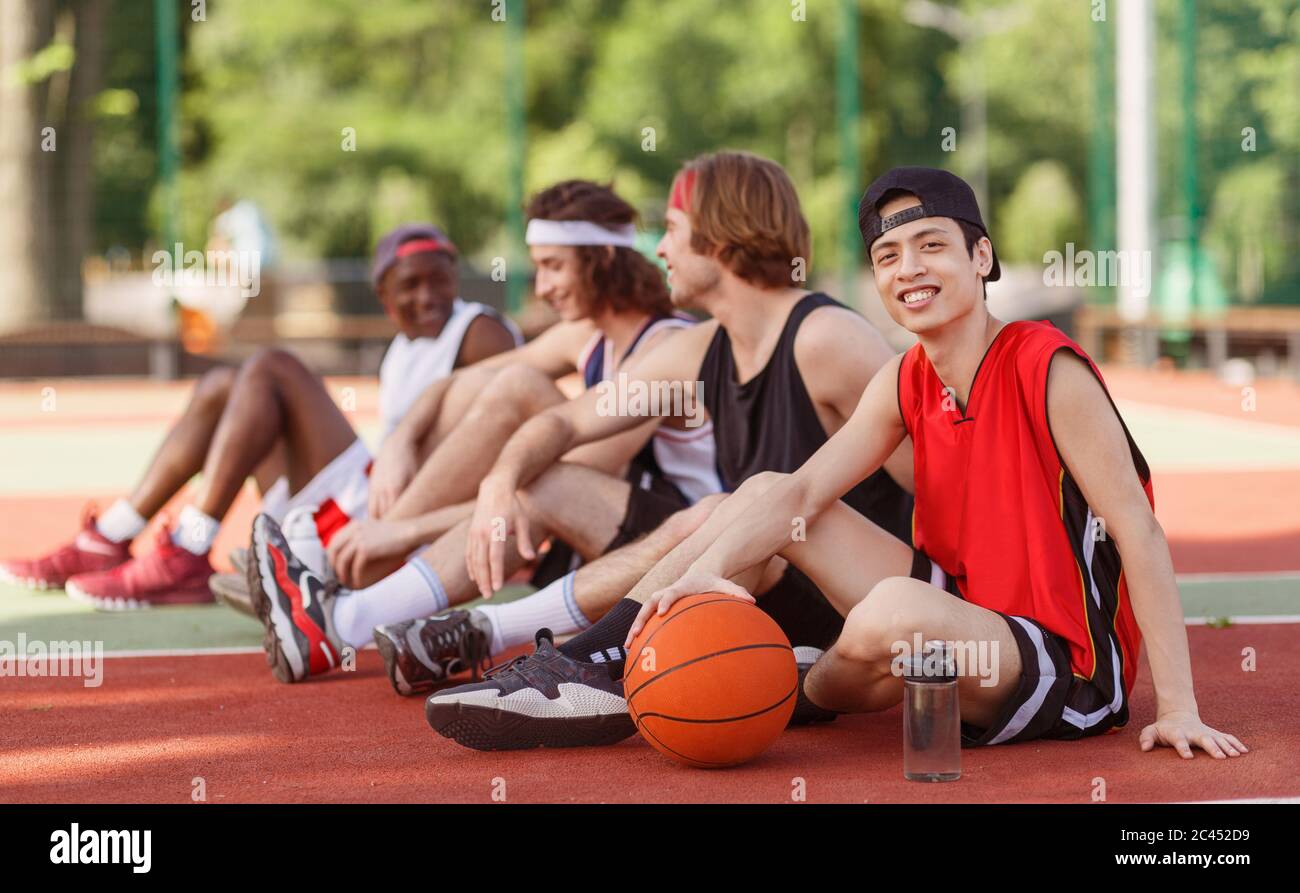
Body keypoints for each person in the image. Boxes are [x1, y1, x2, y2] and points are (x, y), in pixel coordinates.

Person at [249, 151, 915, 752]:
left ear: (722, 232)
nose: (661, 250)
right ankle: (403, 626)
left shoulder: (826, 337)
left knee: (742, 503)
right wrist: (498, 482)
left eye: (675, 229)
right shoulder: (702, 349)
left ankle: (585, 662)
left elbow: (937, 491)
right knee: (587, 486)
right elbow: (566, 424)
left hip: (856, 593)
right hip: (758, 578)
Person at [587, 167, 1245, 760]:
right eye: (888, 255)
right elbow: (801, 492)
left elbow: (1138, 528)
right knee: (772, 494)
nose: (909, 268)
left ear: (981, 255)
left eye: (931, 245)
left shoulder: (1048, 368)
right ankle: (612, 658)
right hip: (955, 606)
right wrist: (702, 576)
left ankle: (793, 690)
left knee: (892, 610)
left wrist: (1179, 707)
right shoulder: (906, 378)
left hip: (1061, 661)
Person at [245, 180, 721, 688]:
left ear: (603, 257)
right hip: (598, 525)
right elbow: (459, 381)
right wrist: (400, 442)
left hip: (667, 532)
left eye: (553, 265)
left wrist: (409, 529)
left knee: (533, 446)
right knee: (504, 387)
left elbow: (570, 483)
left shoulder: (664, 347)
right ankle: (363, 573)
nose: (541, 287)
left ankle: (359, 585)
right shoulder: (586, 336)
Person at [0, 224, 519, 609]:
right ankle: (109, 536)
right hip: (363, 499)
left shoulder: (477, 330)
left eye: (439, 280)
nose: (427, 296)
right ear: (383, 296)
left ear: (457, 278)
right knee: (224, 385)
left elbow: (510, 407)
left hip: (395, 520)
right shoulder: (403, 350)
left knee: (274, 367)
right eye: (410, 286)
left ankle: (190, 546)